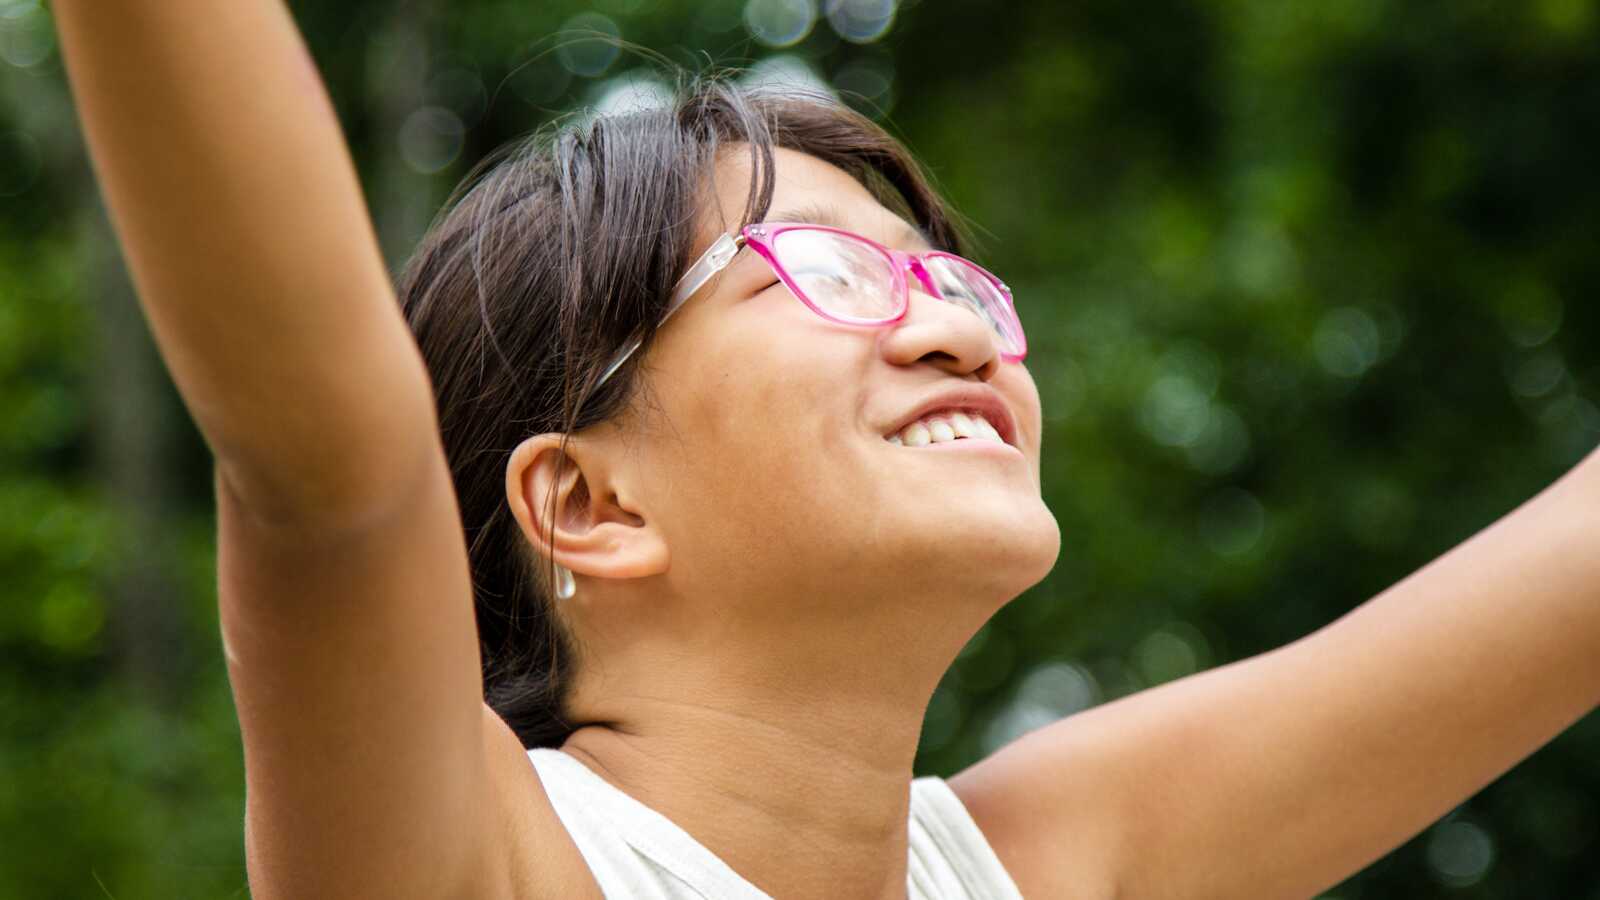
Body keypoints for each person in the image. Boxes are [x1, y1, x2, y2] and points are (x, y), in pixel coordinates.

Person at [50, 2, 1600, 898]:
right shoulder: (483, 864)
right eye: (832, 275)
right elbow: (329, 467)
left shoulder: (1027, 862)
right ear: (584, 500)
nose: (957, 330)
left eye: (953, 281)